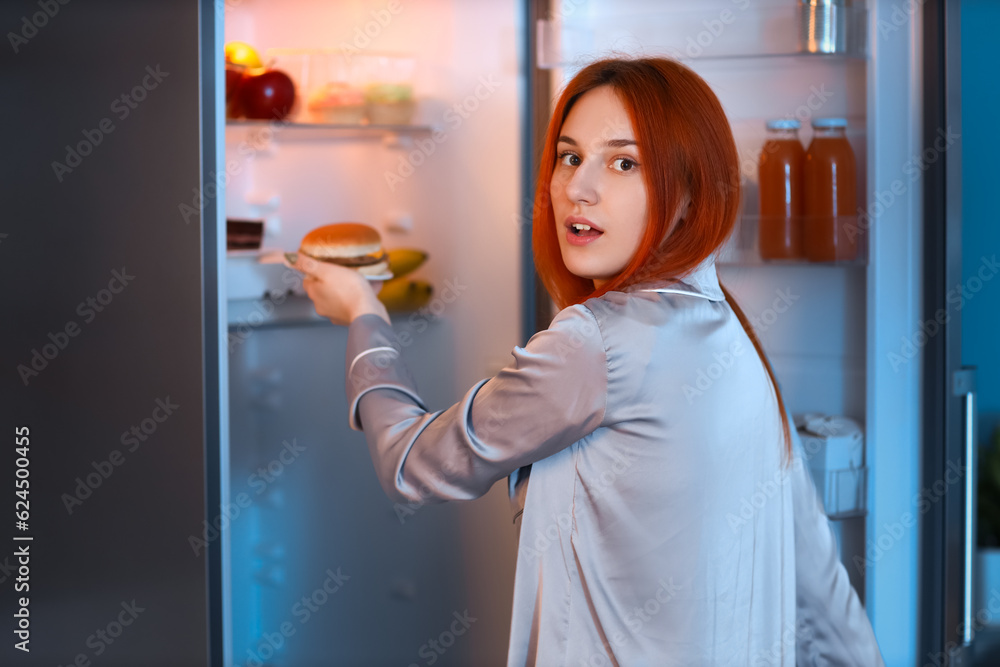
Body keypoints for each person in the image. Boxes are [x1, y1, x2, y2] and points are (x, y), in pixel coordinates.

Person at [288, 57, 884, 666]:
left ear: (688, 194)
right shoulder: (734, 335)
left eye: (623, 162)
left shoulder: (594, 343)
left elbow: (412, 465)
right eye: (570, 157)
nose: (578, 186)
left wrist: (364, 314)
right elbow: (820, 586)